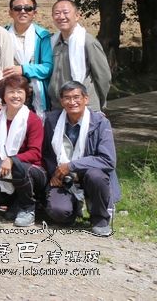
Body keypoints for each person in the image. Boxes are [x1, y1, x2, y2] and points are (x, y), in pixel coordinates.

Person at [42, 81, 119, 237]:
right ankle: (75, 207)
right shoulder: (51, 120)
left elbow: (108, 160)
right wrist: (54, 173)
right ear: (61, 101)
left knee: (96, 176)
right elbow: (47, 153)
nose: (72, 102)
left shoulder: (100, 122)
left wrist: (71, 166)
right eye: (67, 98)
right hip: (63, 176)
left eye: (76, 97)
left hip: (89, 175)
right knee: (59, 213)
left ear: (86, 99)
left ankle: (100, 219)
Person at [0, 75, 45, 227]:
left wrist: (12, 160)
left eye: (20, 92)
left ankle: (28, 208)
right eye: (11, 91)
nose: (15, 96)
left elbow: (35, 152)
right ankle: (15, 203)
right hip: (3, 169)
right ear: (3, 95)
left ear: (26, 94)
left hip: (32, 170)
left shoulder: (33, 119)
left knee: (18, 168)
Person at [48, 0, 111, 112]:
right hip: (58, 106)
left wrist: (101, 102)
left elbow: (103, 76)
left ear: (77, 16)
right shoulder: (52, 42)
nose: (61, 17)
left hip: (84, 107)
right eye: (57, 13)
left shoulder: (87, 42)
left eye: (66, 12)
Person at [5, 0, 53, 116]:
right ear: (10, 13)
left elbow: (47, 68)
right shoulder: (2, 34)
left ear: (34, 13)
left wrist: (23, 69)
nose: (23, 11)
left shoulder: (43, 36)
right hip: (9, 92)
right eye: (17, 8)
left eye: (28, 8)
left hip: (35, 93)